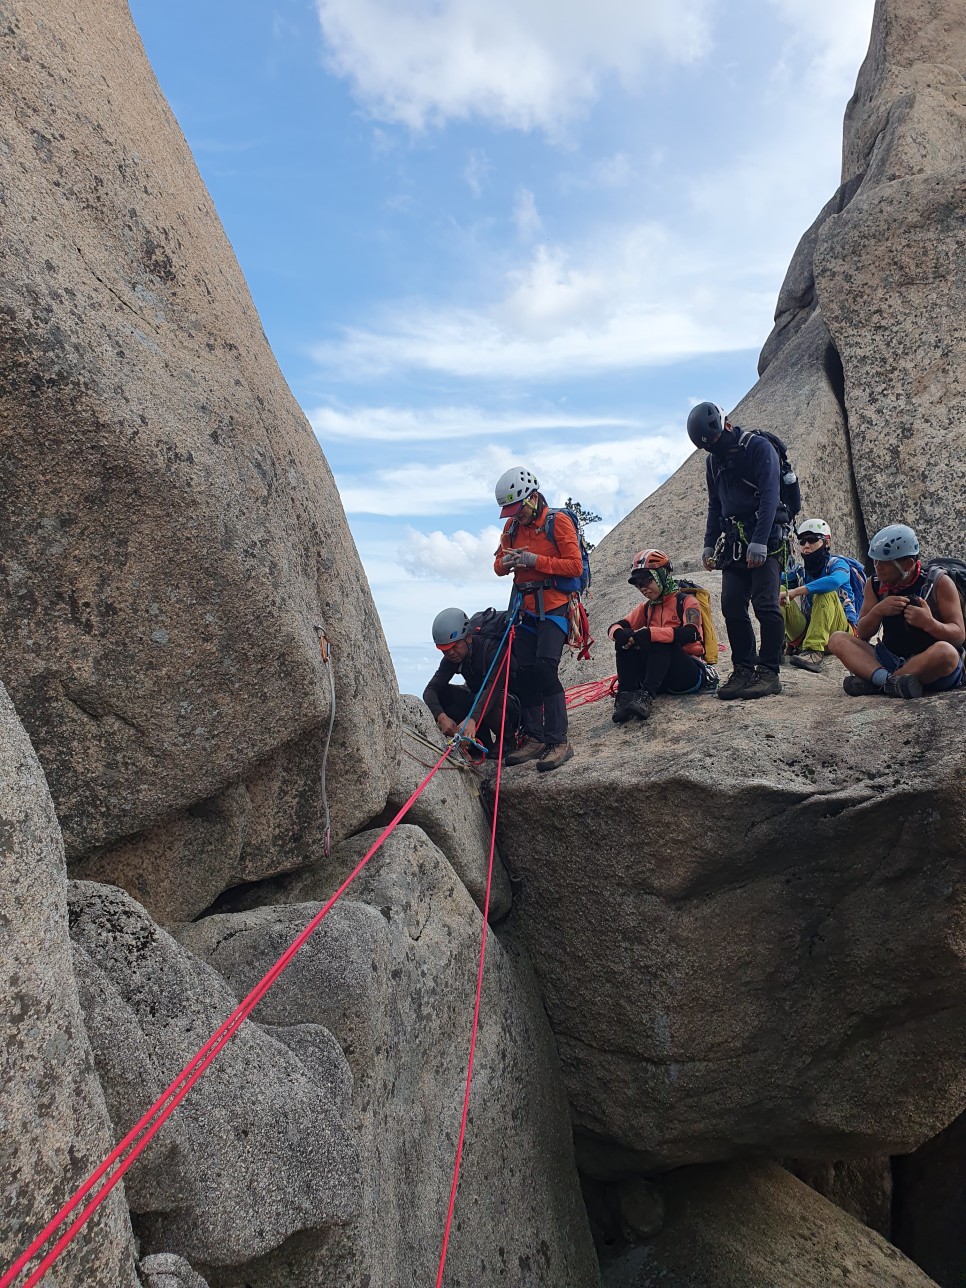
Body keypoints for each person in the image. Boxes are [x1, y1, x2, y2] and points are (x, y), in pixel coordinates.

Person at [688, 400, 785, 700]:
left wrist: (760, 540)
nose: (713, 447)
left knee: (765, 604)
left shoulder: (757, 448)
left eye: (715, 440)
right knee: (731, 604)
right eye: (707, 445)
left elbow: (771, 496)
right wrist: (708, 542)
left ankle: (769, 671)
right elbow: (715, 503)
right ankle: (743, 668)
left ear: (725, 425)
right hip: (733, 540)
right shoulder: (713, 461)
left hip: (766, 537)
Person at [493, 466, 582, 771]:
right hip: (525, 608)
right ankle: (534, 737)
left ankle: (558, 741)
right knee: (524, 672)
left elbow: (574, 566)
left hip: (555, 606)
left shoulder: (558, 522)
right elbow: (496, 566)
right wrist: (507, 562)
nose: (515, 516)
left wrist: (533, 560)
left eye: (518, 509)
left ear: (532, 498)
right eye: (511, 512)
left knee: (545, 670)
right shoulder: (513, 529)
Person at [828, 523, 964, 698]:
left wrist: (929, 624)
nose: (877, 567)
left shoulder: (938, 583)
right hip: (890, 659)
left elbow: (959, 635)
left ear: (907, 564)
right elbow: (861, 633)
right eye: (875, 561)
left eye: (884, 563)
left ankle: (879, 681)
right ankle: (892, 683)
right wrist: (878, 611)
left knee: (947, 653)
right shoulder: (874, 584)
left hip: (929, 664)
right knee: (838, 639)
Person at [608, 550, 708, 723]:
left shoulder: (687, 601)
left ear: (661, 575)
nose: (643, 588)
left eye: (647, 580)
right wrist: (621, 634)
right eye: (638, 584)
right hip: (662, 676)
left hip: (687, 673)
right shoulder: (646, 607)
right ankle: (626, 696)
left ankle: (645, 696)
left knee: (661, 640)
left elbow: (691, 633)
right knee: (624, 642)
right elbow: (615, 626)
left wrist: (652, 633)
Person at [423, 607, 521, 755]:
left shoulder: (492, 649)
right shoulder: (454, 657)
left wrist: (472, 719)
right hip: (480, 700)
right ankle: (480, 745)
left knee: (486, 698)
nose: (450, 653)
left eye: (455, 646)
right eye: (445, 649)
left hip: (509, 703)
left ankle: (507, 742)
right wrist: (442, 717)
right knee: (444, 693)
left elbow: (492, 689)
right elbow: (431, 689)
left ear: (468, 637)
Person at [780, 518, 859, 673]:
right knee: (780, 589)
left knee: (825, 592)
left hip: (839, 635)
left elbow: (835, 581)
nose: (806, 546)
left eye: (812, 540)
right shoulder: (800, 571)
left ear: (826, 542)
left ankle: (814, 651)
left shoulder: (837, 564)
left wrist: (796, 592)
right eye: (802, 542)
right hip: (807, 632)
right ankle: (775, 646)